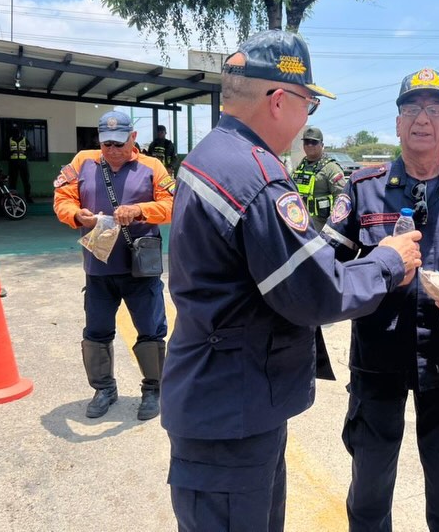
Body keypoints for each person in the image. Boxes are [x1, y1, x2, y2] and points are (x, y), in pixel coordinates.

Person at [160, 29, 422, 532]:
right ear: (279, 100)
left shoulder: (212, 155)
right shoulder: (257, 177)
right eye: (309, 105)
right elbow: (317, 295)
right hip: (231, 412)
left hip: (222, 397)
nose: (308, 120)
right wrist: (388, 260)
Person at [323, 67, 439, 532]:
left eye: (435, 109)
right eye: (411, 109)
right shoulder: (363, 187)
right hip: (376, 357)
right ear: (398, 123)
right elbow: (325, 267)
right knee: (369, 489)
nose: (422, 118)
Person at [53, 110, 176, 421]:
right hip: (98, 267)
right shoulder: (83, 161)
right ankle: (104, 388)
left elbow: (173, 205)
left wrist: (139, 210)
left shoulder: (152, 166)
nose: (113, 150)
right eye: (107, 144)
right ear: (99, 140)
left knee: (150, 330)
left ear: (133, 138)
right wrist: (75, 214)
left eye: (120, 143)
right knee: (96, 332)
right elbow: (62, 197)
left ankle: (153, 389)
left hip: (140, 266)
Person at [291, 126, 346, 231]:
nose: (310, 145)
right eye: (306, 142)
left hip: (321, 226)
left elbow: (341, 197)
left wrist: (333, 225)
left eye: (314, 142)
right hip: (300, 223)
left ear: (322, 145)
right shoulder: (300, 166)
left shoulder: (331, 168)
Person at [8, 127, 33, 203]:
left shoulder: (25, 140)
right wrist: (13, 152)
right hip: (13, 162)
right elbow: (5, 151)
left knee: (26, 181)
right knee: (13, 181)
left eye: (18, 134)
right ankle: (12, 198)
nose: (17, 135)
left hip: (23, 162)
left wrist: (24, 152)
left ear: (20, 133)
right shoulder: (9, 140)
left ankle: (28, 197)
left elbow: (31, 150)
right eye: (15, 134)